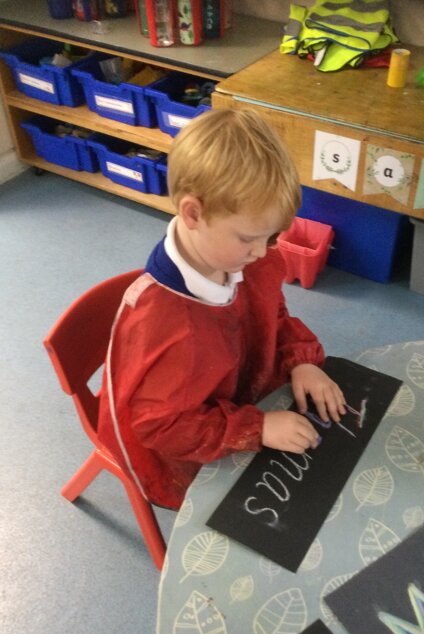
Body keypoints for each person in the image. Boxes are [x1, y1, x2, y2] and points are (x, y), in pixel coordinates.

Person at [98, 107, 345, 510]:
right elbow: (162, 426)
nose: (264, 252)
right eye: (250, 238)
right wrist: (257, 428)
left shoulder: (247, 255)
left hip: (237, 399)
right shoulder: (162, 322)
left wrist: (302, 361)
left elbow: (273, 316)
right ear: (193, 214)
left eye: (272, 236)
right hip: (178, 453)